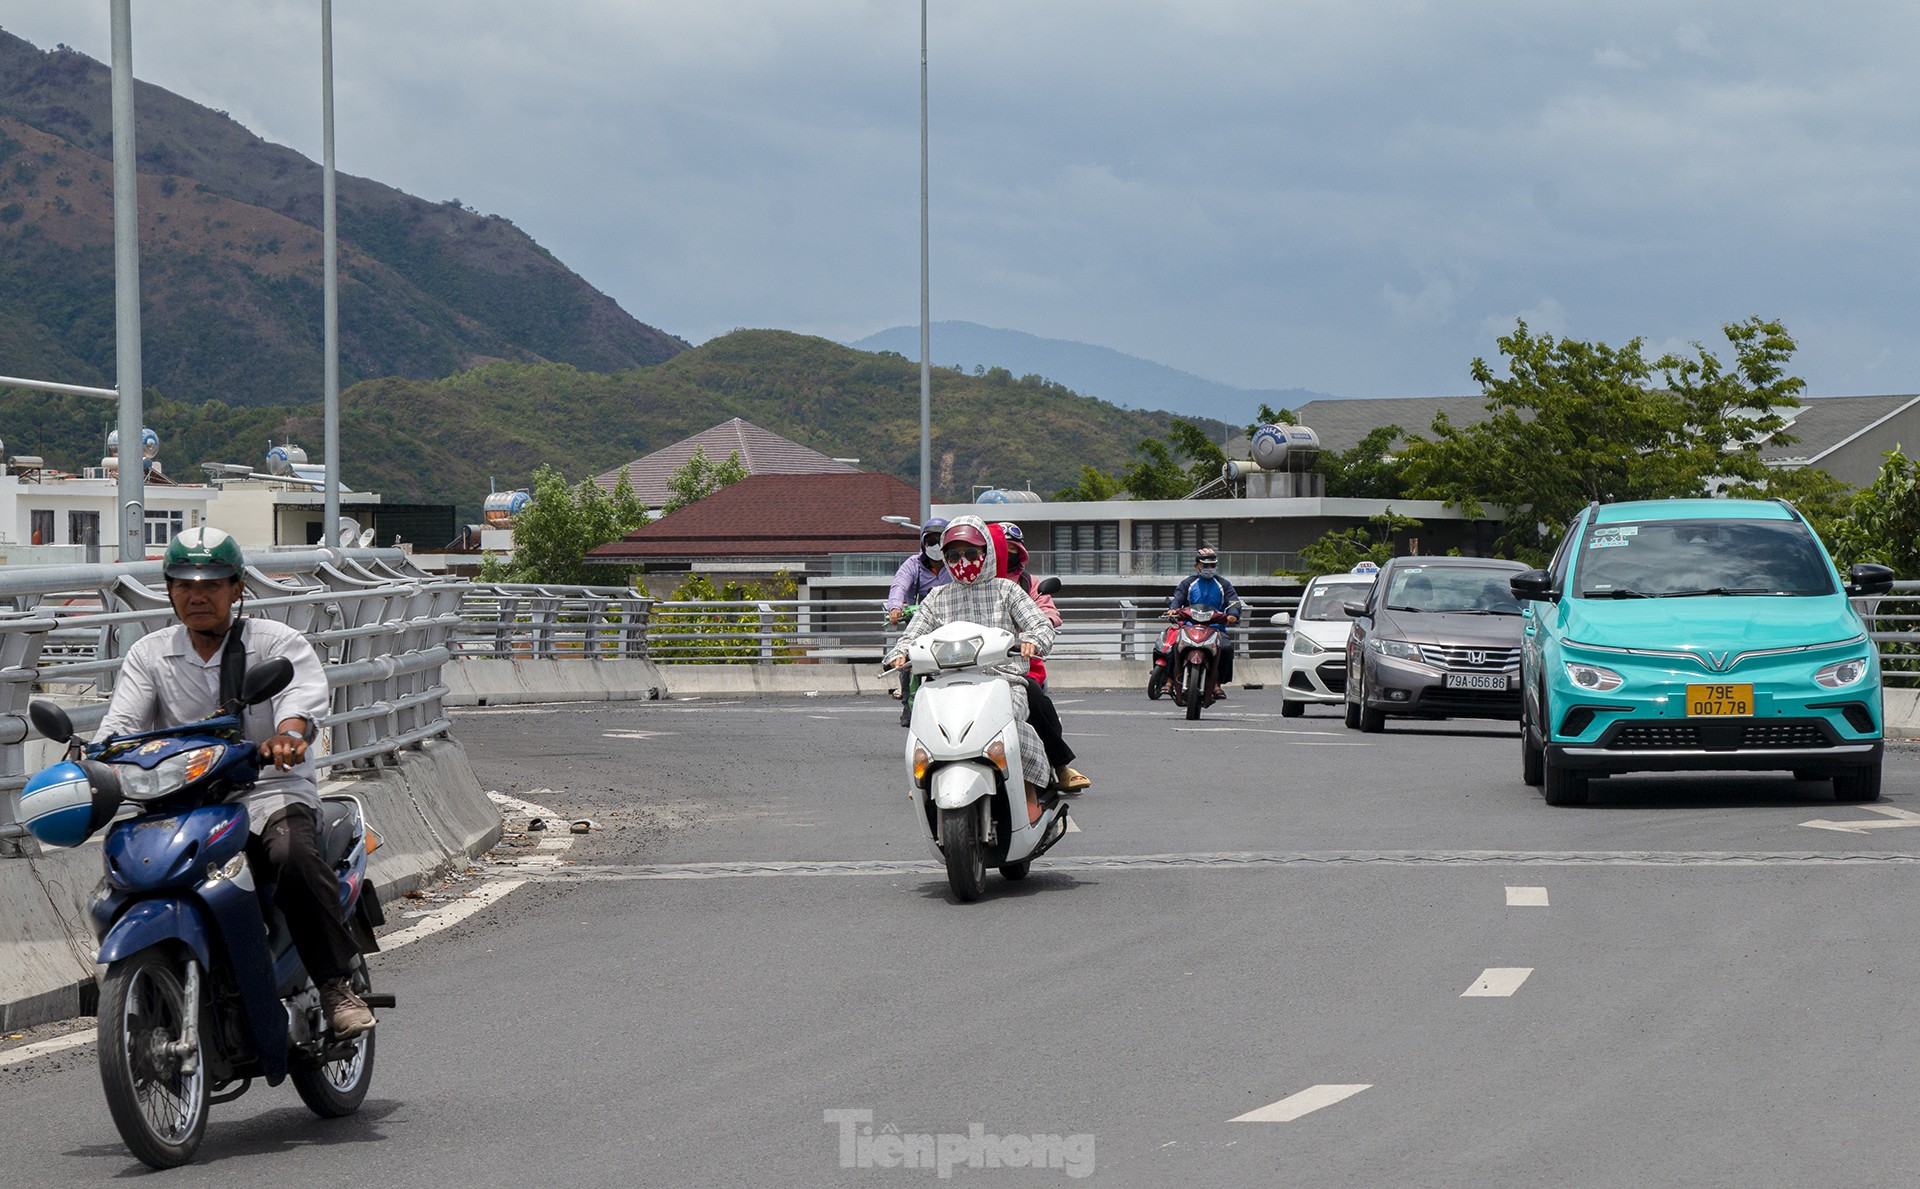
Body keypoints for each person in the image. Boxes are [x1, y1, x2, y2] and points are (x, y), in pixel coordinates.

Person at [96, 527, 375, 1038]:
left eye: (212, 583)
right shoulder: (149, 655)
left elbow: (301, 705)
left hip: (270, 792)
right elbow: (119, 730)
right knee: (125, 874)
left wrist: (289, 737)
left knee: (290, 855)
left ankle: (335, 985)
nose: (197, 594)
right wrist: (95, 763)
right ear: (168, 589)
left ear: (237, 588)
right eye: (183, 584)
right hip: (181, 804)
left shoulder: (276, 643)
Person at [884, 518, 1088, 821]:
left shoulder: (1007, 591)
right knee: (924, 724)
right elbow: (913, 634)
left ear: (987, 553)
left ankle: (1029, 794)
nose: (961, 562)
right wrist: (900, 653)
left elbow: (1040, 624)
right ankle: (928, 777)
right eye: (953, 556)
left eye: (970, 553)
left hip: (1001, 682)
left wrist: (1032, 639)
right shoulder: (937, 598)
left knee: (1013, 730)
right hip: (947, 684)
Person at [990, 522, 1089, 793]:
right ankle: (932, 770)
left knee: (1035, 698)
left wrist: (1035, 632)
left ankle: (1060, 766)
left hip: (1017, 663)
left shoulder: (1024, 585)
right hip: (971, 663)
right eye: (1000, 549)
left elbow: (1045, 614)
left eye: (1011, 549)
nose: (1005, 554)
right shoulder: (960, 585)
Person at [885, 518, 953, 724]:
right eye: (930, 541)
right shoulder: (913, 564)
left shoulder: (955, 563)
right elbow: (899, 585)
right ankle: (907, 702)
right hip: (920, 617)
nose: (935, 546)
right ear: (923, 543)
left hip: (950, 620)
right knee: (907, 657)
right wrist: (896, 607)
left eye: (940, 540)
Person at [1152, 545, 1243, 698]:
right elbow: (1178, 599)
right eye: (1205, 565)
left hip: (1215, 628)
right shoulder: (1188, 583)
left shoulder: (1224, 585)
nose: (1209, 568)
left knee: (1226, 649)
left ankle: (1217, 685)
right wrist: (1173, 609)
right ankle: (1170, 682)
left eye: (1213, 565)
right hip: (1189, 626)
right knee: (1175, 646)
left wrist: (1233, 614)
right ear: (1197, 565)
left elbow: (1234, 602)